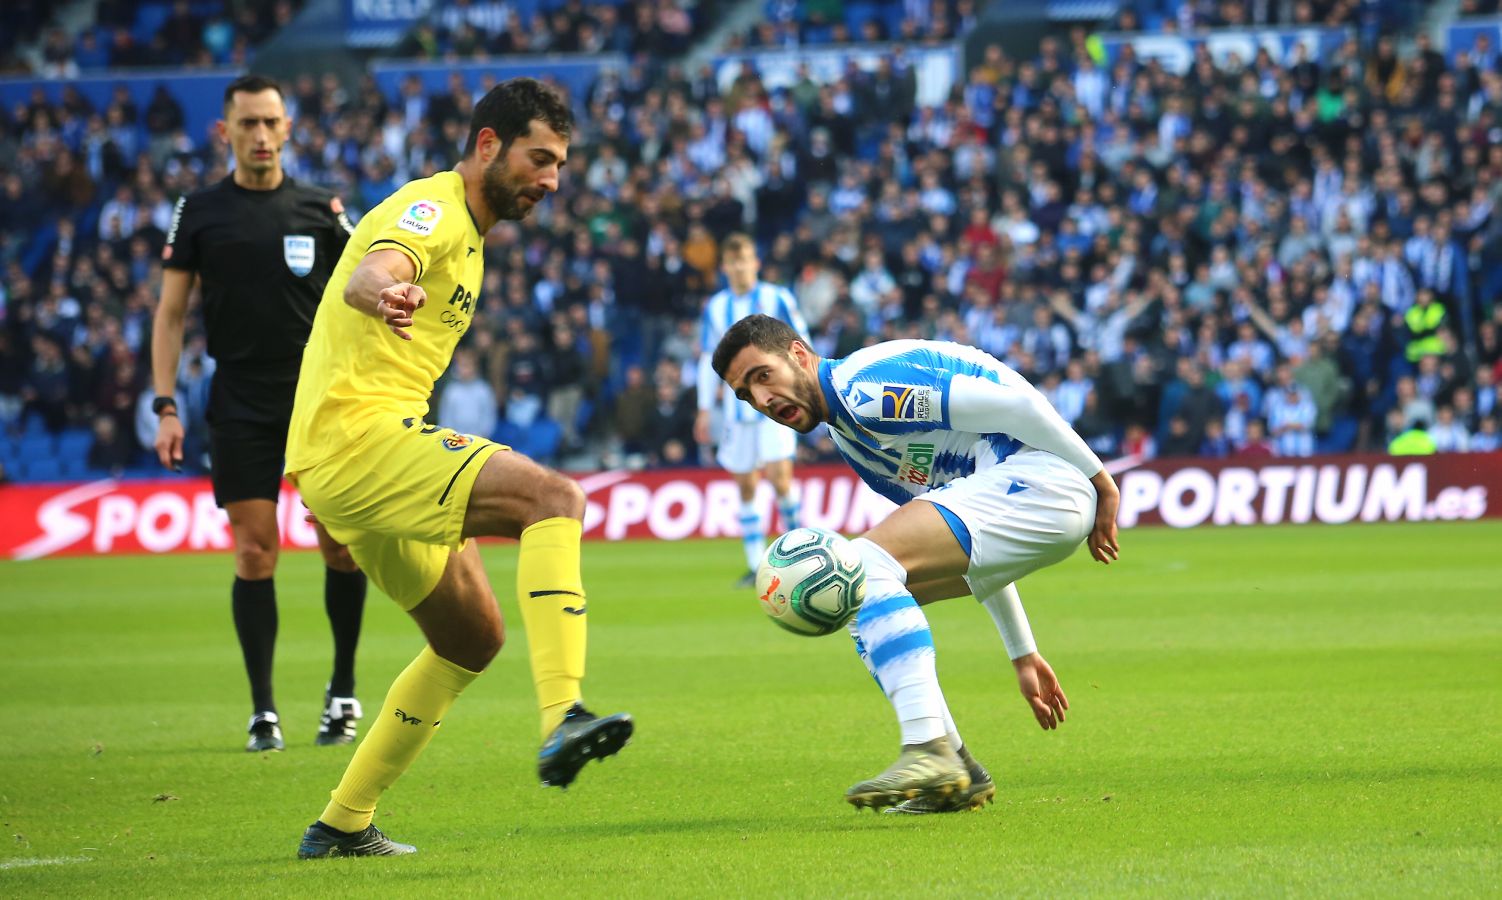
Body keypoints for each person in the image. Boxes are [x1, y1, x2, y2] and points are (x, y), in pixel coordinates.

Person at [284, 78, 632, 859]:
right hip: (358, 442)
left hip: (350, 458)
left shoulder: (471, 238)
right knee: (553, 497)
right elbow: (371, 267)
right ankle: (564, 716)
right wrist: (383, 291)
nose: (551, 179)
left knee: (470, 637)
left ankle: (341, 825)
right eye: (540, 159)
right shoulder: (435, 209)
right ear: (487, 146)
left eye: (560, 165)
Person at [713, 314, 1120, 813]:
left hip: (1045, 478)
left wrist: (1099, 478)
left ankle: (926, 749)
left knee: (860, 566)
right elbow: (968, 531)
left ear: (798, 355)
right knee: (859, 597)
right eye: (745, 394)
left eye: (762, 376)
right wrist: (1022, 652)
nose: (761, 401)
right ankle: (955, 770)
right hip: (1026, 495)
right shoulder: (850, 437)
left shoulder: (863, 391)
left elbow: (1018, 405)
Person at [151, 74, 368, 753]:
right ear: (226, 133)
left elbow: (366, 286)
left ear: (289, 128)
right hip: (240, 400)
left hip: (317, 399)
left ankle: (341, 692)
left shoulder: (320, 209)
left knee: (339, 545)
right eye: (248, 124)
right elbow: (170, 313)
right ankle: (264, 712)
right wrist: (165, 405)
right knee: (255, 552)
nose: (262, 135)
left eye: (272, 122)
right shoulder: (199, 211)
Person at [694, 233, 811, 585]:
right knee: (746, 485)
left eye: (745, 259)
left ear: (755, 263)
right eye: (733, 261)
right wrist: (703, 408)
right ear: (725, 267)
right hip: (737, 412)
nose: (740, 266)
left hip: (778, 404)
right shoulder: (716, 308)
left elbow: (801, 343)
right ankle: (755, 563)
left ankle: (804, 553)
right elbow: (705, 360)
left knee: (780, 479)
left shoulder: (778, 297)